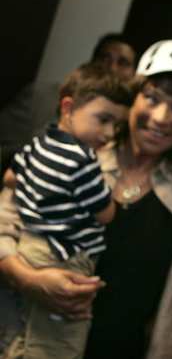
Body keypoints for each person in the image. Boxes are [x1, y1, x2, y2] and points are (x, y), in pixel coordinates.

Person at [0, 39, 172, 359]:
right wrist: (29, 280)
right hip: (35, 340)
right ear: (132, 98)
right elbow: (4, 223)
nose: (160, 117)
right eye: (151, 98)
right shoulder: (82, 152)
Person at [1, 63, 131, 358]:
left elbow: (11, 177)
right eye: (103, 120)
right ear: (68, 107)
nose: (109, 133)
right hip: (66, 257)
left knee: (19, 330)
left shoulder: (38, 142)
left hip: (27, 246)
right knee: (59, 344)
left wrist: (39, 190)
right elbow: (105, 214)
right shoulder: (84, 161)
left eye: (117, 125)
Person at [0, 33, 136, 178]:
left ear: (134, 73)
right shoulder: (42, 96)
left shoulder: (132, 126)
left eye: (123, 63)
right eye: (104, 58)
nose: (112, 67)